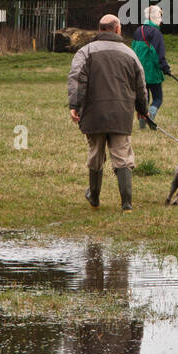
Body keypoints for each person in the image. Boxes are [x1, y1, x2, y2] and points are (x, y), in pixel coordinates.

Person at [67, 14, 150, 211]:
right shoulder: (130, 54)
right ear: (117, 29)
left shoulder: (85, 52)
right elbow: (140, 85)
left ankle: (94, 197)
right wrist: (142, 109)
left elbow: (77, 79)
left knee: (96, 154)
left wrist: (74, 105)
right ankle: (127, 203)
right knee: (122, 156)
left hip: (93, 113)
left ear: (100, 29)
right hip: (121, 113)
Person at [131, 4, 172, 130]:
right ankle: (151, 118)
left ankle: (142, 124)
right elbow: (160, 54)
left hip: (138, 72)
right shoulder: (156, 33)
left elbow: (132, 50)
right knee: (158, 98)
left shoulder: (138, 31)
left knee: (144, 100)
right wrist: (166, 69)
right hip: (152, 72)